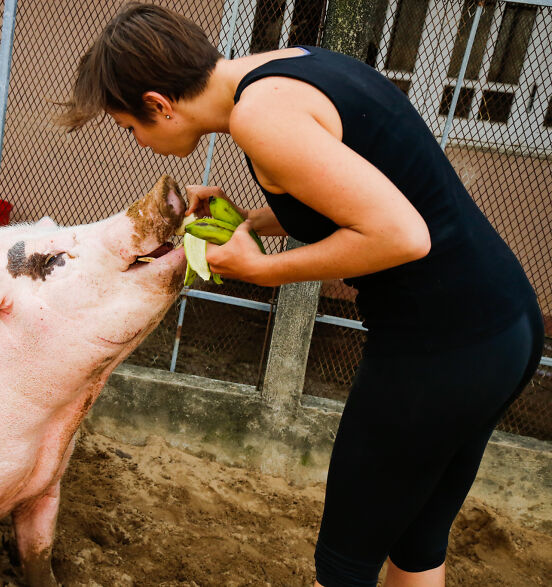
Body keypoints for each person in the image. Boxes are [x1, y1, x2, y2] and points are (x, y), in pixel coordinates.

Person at [58, 3, 544, 587]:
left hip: (438, 349)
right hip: (504, 327)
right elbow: (337, 191)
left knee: (344, 564)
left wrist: (264, 273)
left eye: (130, 127)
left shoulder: (259, 120)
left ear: (160, 104)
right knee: (414, 542)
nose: (137, 142)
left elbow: (402, 235)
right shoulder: (292, 66)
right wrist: (249, 223)